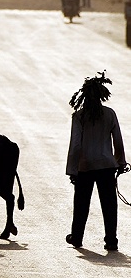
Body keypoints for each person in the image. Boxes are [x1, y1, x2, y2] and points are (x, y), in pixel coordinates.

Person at [66, 71, 126, 251]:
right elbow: (118, 141)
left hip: (85, 167)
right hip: (106, 166)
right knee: (109, 204)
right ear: (101, 95)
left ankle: (77, 237)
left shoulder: (79, 116)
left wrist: (72, 169)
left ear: (84, 96)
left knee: (81, 203)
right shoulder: (109, 114)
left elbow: (75, 145)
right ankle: (111, 240)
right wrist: (121, 162)